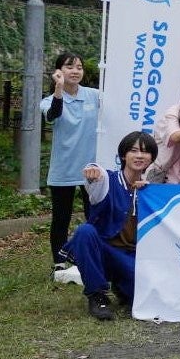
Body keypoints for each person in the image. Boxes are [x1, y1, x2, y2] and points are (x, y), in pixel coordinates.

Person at [66, 131, 158, 320]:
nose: (139, 156)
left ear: (152, 158)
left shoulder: (153, 190)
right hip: (104, 251)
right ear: (123, 155)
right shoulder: (108, 180)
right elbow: (95, 178)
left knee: (152, 297)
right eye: (133, 151)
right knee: (85, 231)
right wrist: (93, 171)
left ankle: (123, 288)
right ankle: (97, 295)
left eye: (145, 152)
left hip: (133, 257)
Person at [42, 51, 101, 271]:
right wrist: (58, 88)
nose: (75, 71)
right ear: (59, 71)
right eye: (69, 67)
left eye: (79, 67)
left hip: (91, 169)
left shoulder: (93, 95)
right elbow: (53, 115)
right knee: (61, 218)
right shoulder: (49, 100)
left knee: (93, 216)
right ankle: (59, 263)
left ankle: (94, 258)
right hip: (63, 168)